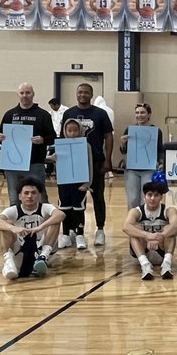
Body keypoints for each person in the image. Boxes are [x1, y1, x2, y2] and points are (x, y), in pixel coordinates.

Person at [62, 84, 114, 244]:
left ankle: (100, 229)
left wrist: (108, 158)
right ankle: (73, 231)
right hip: (74, 164)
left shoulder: (100, 114)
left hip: (96, 162)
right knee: (72, 198)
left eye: (86, 92)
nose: (82, 95)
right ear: (76, 94)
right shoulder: (69, 113)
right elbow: (63, 138)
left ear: (91, 94)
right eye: (80, 92)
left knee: (98, 197)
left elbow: (108, 136)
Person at [0, 177, 64, 281]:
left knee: (54, 221)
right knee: (5, 224)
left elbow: (61, 215)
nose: (30, 196)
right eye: (26, 193)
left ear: (39, 195)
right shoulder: (13, 210)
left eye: (34, 193)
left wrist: (40, 227)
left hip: (42, 248)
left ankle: (43, 257)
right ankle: (8, 261)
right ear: (20, 196)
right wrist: (13, 228)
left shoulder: (45, 207)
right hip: (20, 250)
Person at [0, 83, 56, 206]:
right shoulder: (9, 115)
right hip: (12, 166)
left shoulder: (43, 115)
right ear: (18, 95)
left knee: (40, 199)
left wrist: (43, 140)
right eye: (22, 93)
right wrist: (0, 138)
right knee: (14, 200)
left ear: (33, 94)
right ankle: (17, 225)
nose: (25, 96)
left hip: (35, 163)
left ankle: (42, 225)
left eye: (28, 93)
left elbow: (52, 137)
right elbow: (1, 137)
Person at [122, 181, 177, 280]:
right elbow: (125, 226)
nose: (152, 198)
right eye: (149, 195)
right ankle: (145, 265)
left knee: (169, 229)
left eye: (156, 195)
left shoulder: (168, 210)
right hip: (142, 251)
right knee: (135, 228)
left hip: (161, 250)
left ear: (161, 197)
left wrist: (160, 236)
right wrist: (147, 235)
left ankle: (166, 264)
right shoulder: (136, 211)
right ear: (144, 196)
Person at [55, 118, 94, 251]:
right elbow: (57, 165)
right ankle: (65, 235)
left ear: (80, 131)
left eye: (75, 130)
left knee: (79, 209)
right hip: (64, 184)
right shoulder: (60, 145)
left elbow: (90, 165)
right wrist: (53, 158)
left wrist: (87, 183)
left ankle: (80, 235)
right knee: (64, 209)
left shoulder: (86, 145)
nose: (72, 133)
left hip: (80, 184)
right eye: (69, 130)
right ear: (65, 131)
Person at [119, 102, 164, 211]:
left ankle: (146, 222)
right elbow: (123, 151)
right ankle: (132, 221)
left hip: (149, 169)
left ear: (149, 115)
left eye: (143, 112)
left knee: (147, 198)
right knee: (132, 198)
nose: (140, 115)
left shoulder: (156, 131)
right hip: (132, 169)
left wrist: (161, 162)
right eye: (137, 112)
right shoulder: (129, 130)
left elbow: (159, 149)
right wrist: (123, 143)